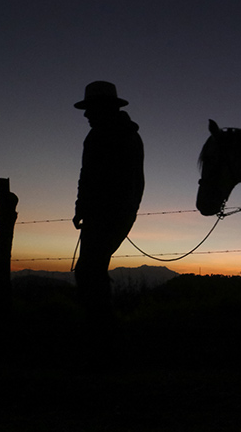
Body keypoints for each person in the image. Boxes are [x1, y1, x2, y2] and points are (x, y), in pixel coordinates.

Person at [72, 81, 144, 330]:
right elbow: (87, 175)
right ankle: (101, 331)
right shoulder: (102, 136)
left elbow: (125, 181)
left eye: (90, 108)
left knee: (89, 271)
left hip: (110, 215)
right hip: (103, 214)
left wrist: (109, 211)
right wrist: (82, 207)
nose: (86, 114)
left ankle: (101, 333)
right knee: (91, 270)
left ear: (103, 107)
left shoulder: (121, 137)